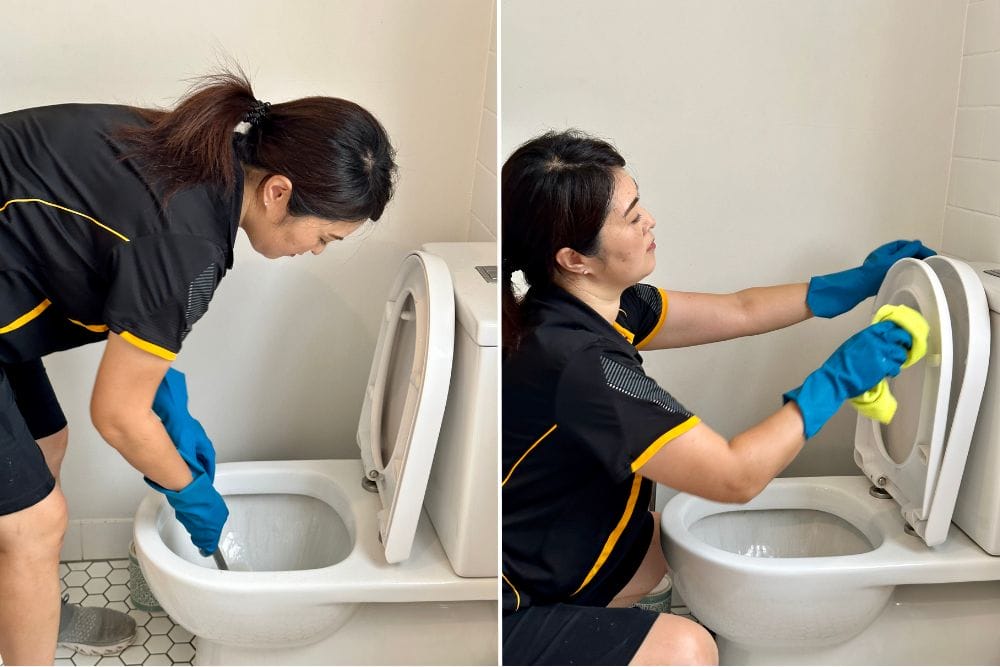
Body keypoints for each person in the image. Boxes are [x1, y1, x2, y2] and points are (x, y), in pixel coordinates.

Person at [0, 69, 396, 665]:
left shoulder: (195, 158)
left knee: (46, 443)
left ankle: (27, 606)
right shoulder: (188, 242)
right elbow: (116, 415)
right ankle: (25, 601)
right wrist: (188, 491)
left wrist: (166, 402)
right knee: (34, 525)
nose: (314, 253)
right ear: (279, 192)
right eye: (325, 238)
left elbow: (112, 259)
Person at [500, 130, 932, 666]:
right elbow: (734, 477)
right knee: (688, 649)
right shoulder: (579, 363)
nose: (650, 220)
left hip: (538, 544)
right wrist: (837, 380)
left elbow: (740, 309)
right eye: (632, 218)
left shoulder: (594, 305)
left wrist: (852, 284)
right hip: (505, 612)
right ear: (574, 258)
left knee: (657, 545)